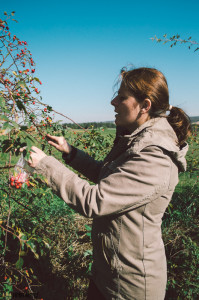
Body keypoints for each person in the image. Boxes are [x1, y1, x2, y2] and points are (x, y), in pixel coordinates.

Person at [28, 67, 191, 300]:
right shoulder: (138, 140)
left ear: (145, 106)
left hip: (130, 286)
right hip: (110, 271)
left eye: (122, 97)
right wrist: (71, 153)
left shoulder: (155, 156)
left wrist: (46, 165)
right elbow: (110, 179)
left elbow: (95, 201)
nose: (113, 101)